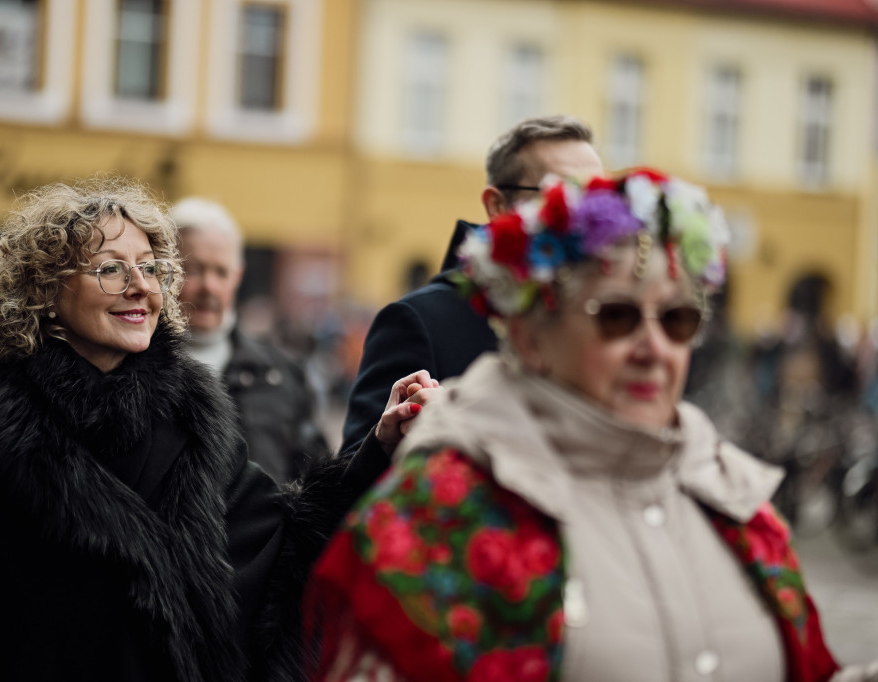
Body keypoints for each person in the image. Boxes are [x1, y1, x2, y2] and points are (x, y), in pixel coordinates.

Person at [307, 169, 878, 681]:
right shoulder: (448, 509)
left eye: (677, 319)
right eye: (617, 316)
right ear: (531, 337)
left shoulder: (732, 496)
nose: (653, 348)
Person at [0, 177, 423, 682]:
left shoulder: (194, 417)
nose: (140, 287)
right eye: (111, 269)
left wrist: (379, 448)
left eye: (151, 268)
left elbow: (285, 546)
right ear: (46, 292)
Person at [339, 114, 603, 456]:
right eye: (562, 195)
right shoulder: (419, 321)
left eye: (598, 196)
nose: (584, 215)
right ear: (497, 205)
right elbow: (348, 477)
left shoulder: (608, 316)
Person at [171, 198, 330, 483]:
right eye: (193, 269)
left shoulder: (281, 374)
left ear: (238, 277)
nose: (209, 286)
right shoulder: (135, 369)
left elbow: (315, 479)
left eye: (221, 272)